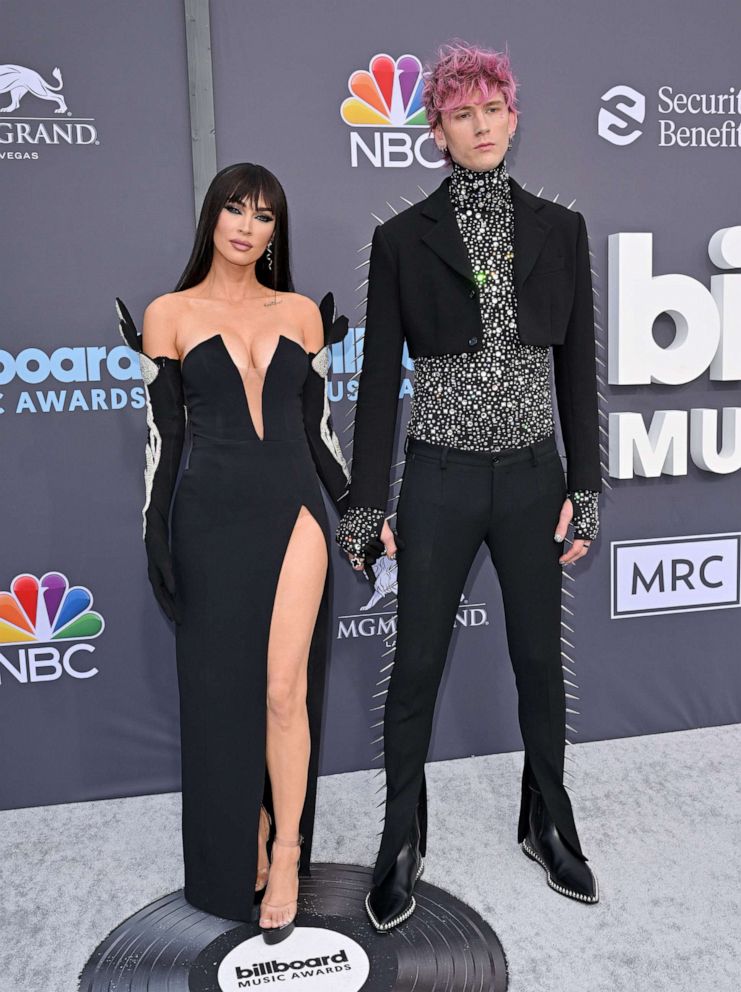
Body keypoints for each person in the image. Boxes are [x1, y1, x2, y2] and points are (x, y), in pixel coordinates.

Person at [336, 42, 602, 931]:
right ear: (438, 132)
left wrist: (585, 485)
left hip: (533, 479)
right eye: (461, 113)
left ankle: (547, 822)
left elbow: (576, 372)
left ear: (513, 117)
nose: (480, 125)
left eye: (493, 108)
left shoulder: (561, 230)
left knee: (538, 665)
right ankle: (401, 838)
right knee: (412, 668)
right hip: (440, 480)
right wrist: (367, 505)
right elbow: (376, 385)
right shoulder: (400, 237)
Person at [116, 162, 349, 942]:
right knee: (223, 697)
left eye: (264, 217)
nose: (247, 228)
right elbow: (163, 439)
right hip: (208, 518)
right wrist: (154, 531)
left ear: (278, 232)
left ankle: (286, 852)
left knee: (285, 691)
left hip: (293, 514)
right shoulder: (167, 314)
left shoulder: (302, 316)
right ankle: (244, 830)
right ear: (211, 218)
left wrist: (354, 509)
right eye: (234, 211)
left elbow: (321, 436)